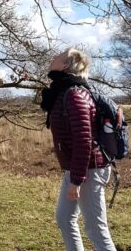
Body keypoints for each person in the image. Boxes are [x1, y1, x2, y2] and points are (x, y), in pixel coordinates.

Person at [41, 48, 116, 251]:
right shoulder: (62, 91)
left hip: (88, 169)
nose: (53, 57)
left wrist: (76, 180)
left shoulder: (75, 94)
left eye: (58, 56)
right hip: (77, 168)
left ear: (66, 64)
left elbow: (84, 141)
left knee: (96, 230)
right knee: (65, 219)